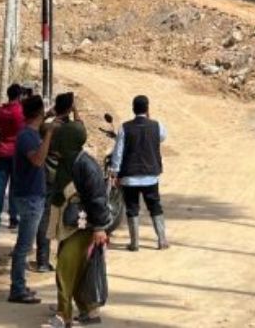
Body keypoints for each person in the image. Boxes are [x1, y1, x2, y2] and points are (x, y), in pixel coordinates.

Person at [47, 120, 111, 327]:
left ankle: (62, 315)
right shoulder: (67, 160)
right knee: (78, 268)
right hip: (68, 223)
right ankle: (89, 311)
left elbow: (98, 198)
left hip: (83, 225)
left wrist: (100, 228)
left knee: (65, 267)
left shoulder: (87, 165)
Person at [8, 94, 57, 304]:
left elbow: (39, 119)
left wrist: (49, 116)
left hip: (28, 195)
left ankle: (20, 285)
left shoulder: (28, 131)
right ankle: (17, 289)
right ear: (38, 113)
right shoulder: (28, 136)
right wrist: (49, 135)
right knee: (24, 246)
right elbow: (37, 160)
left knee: (25, 244)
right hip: (30, 198)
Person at [109, 94, 169, 252]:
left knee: (132, 208)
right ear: (147, 109)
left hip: (129, 177)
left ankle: (134, 243)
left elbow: (118, 153)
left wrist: (115, 172)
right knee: (155, 206)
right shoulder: (157, 126)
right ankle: (162, 240)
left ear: (133, 109)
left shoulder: (124, 128)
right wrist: (150, 118)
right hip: (150, 176)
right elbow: (162, 137)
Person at [34, 92, 85, 273]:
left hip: (47, 175)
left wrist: (50, 113)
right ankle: (65, 258)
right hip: (66, 179)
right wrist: (76, 110)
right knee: (69, 216)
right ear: (70, 108)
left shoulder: (47, 127)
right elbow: (81, 128)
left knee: (45, 218)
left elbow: (37, 124)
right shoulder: (73, 129)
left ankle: (42, 260)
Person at [0, 83, 26, 229]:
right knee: (15, 186)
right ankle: (13, 217)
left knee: (0, 186)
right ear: (19, 96)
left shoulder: (0, 111)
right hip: (16, 152)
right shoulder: (20, 111)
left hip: (2, 150)